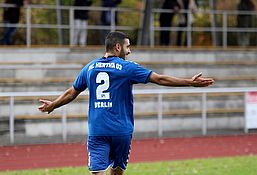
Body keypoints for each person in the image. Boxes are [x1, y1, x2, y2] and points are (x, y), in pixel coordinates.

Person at [38, 31, 214, 175]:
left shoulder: (90, 67)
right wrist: (189, 82)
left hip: (98, 130)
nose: (129, 51)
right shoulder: (127, 68)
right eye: (127, 47)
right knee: (117, 172)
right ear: (117, 47)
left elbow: (71, 93)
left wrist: (52, 105)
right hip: (122, 131)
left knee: (97, 172)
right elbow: (160, 79)